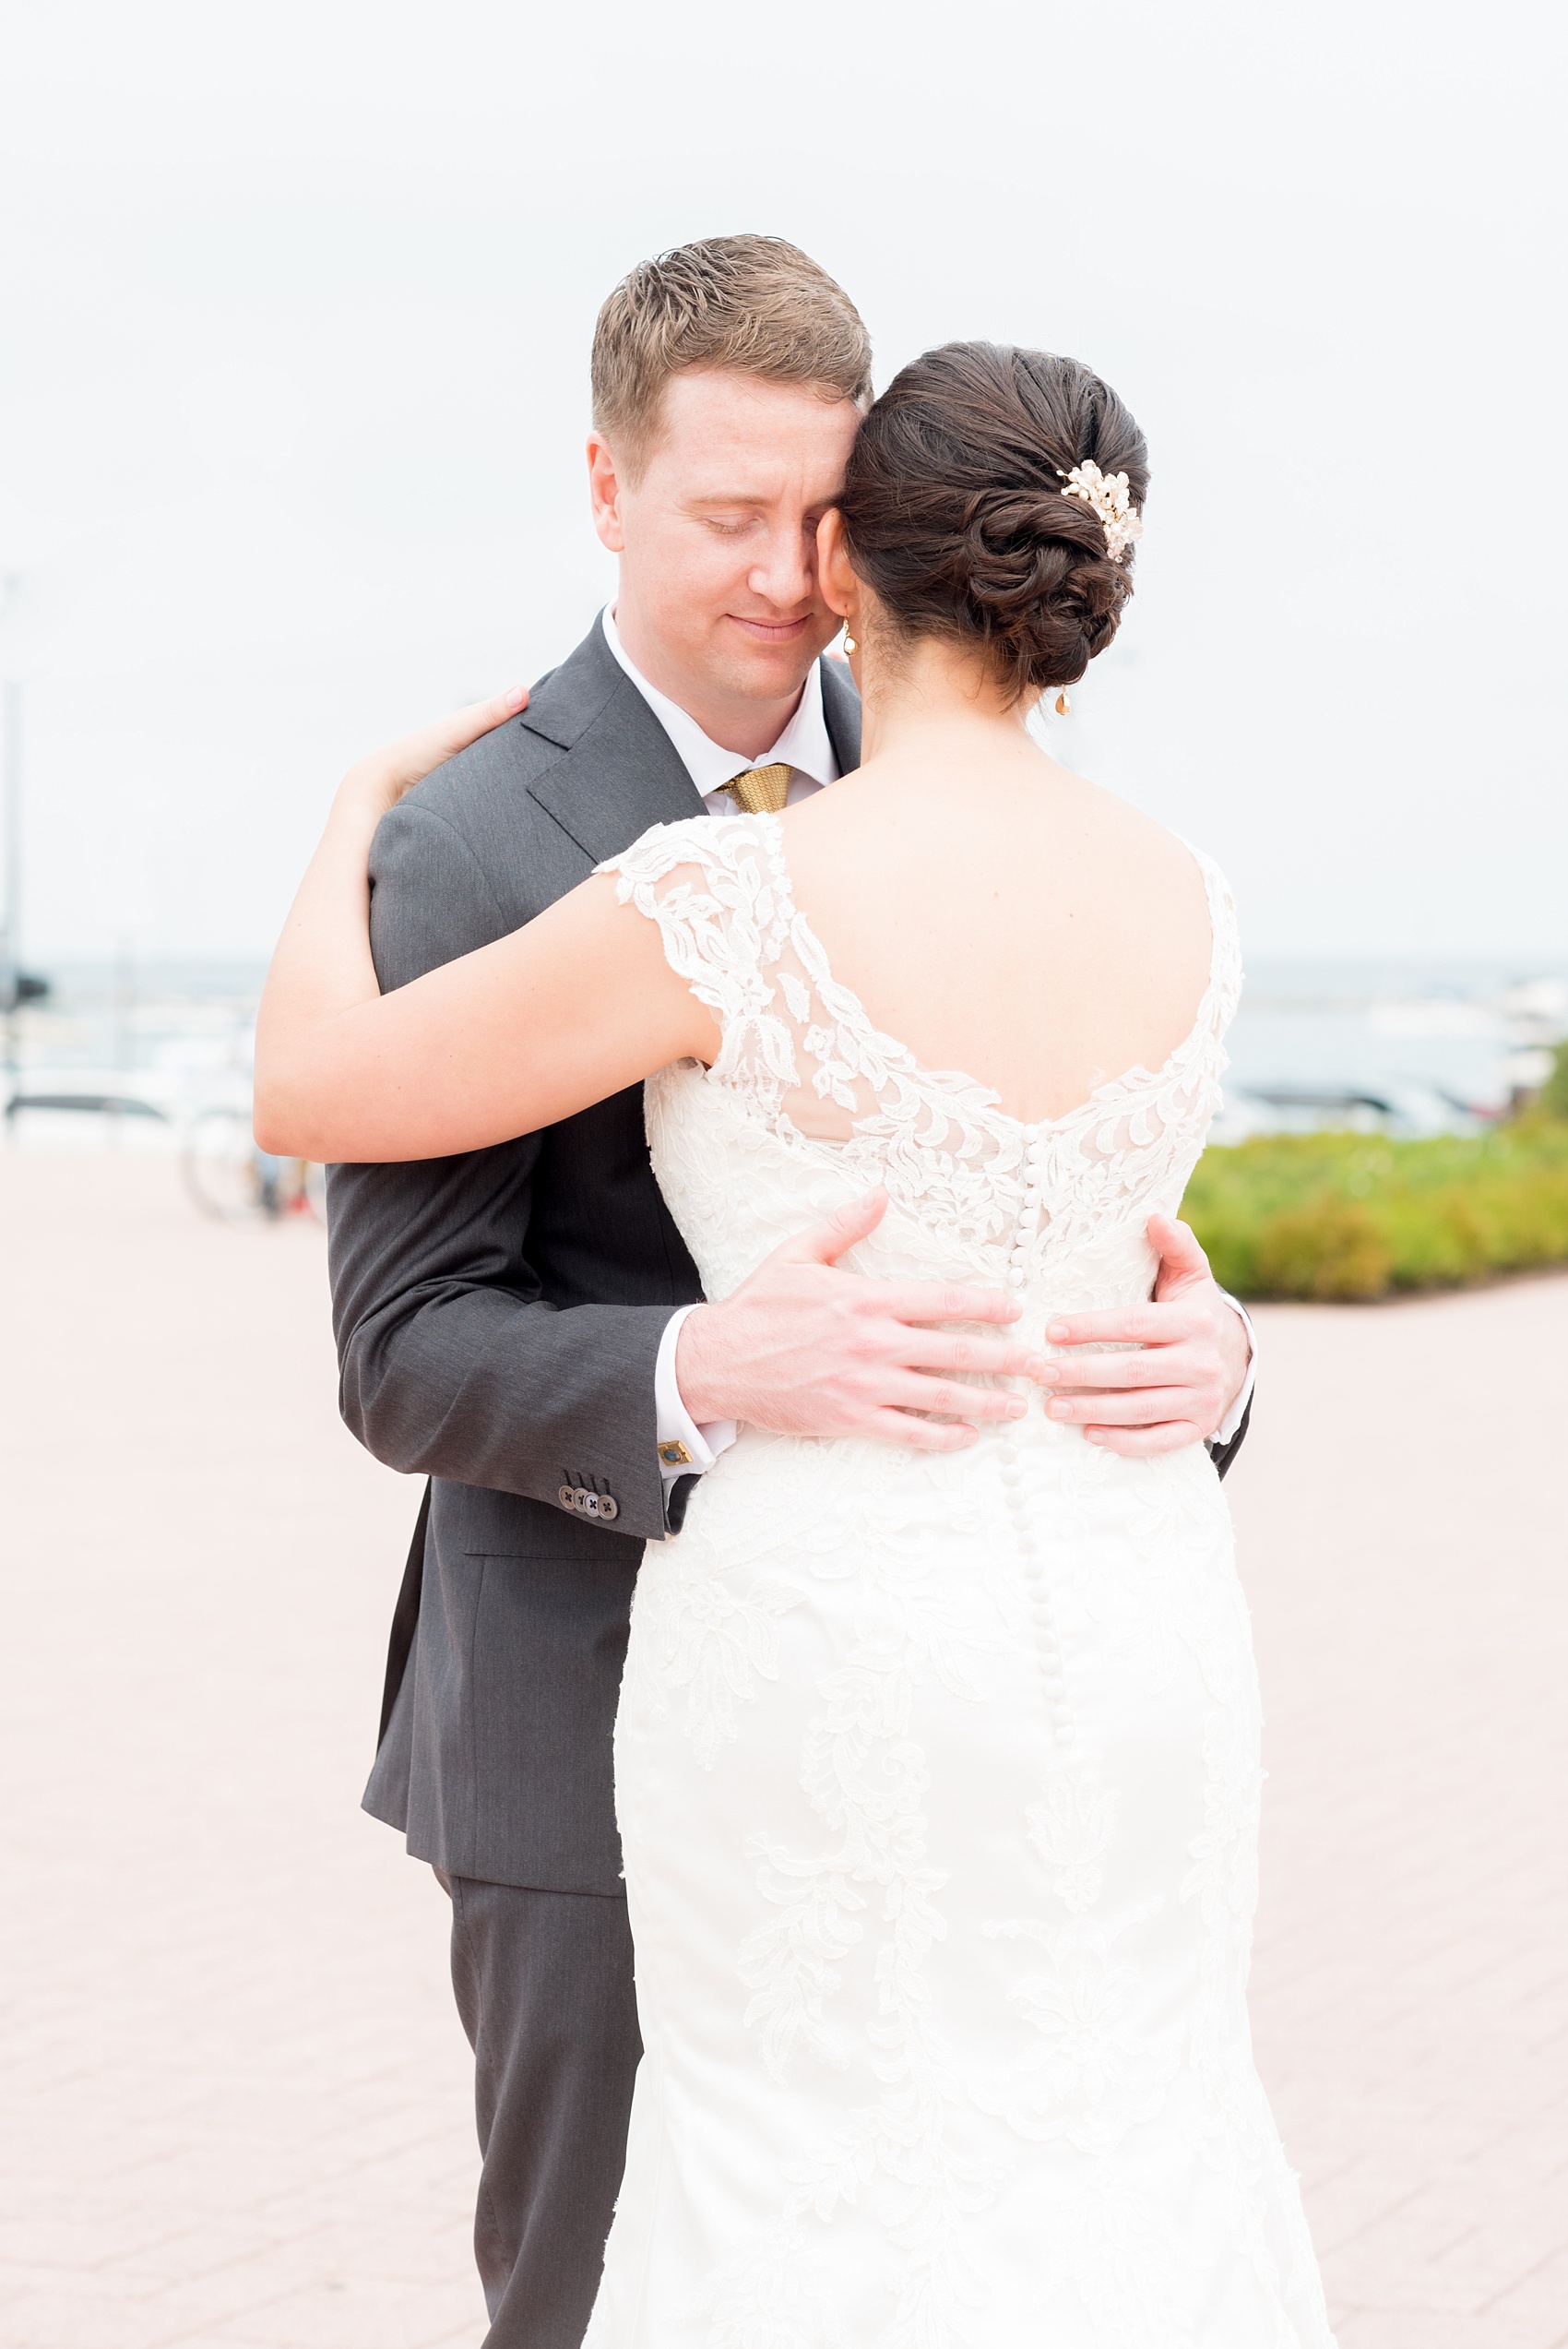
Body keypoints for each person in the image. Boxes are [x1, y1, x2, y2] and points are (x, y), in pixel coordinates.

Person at [258, 295, 1327, 2339]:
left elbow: (1086, 1238)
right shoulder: (481, 835)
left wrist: (1220, 1357)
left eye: (810, 514)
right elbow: (398, 1346)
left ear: (870, 551)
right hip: (688, 1702)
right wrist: (685, 1370)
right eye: (723, 511)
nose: (774, 568)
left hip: (978, 1675)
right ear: (608, 488)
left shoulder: (771, 876)